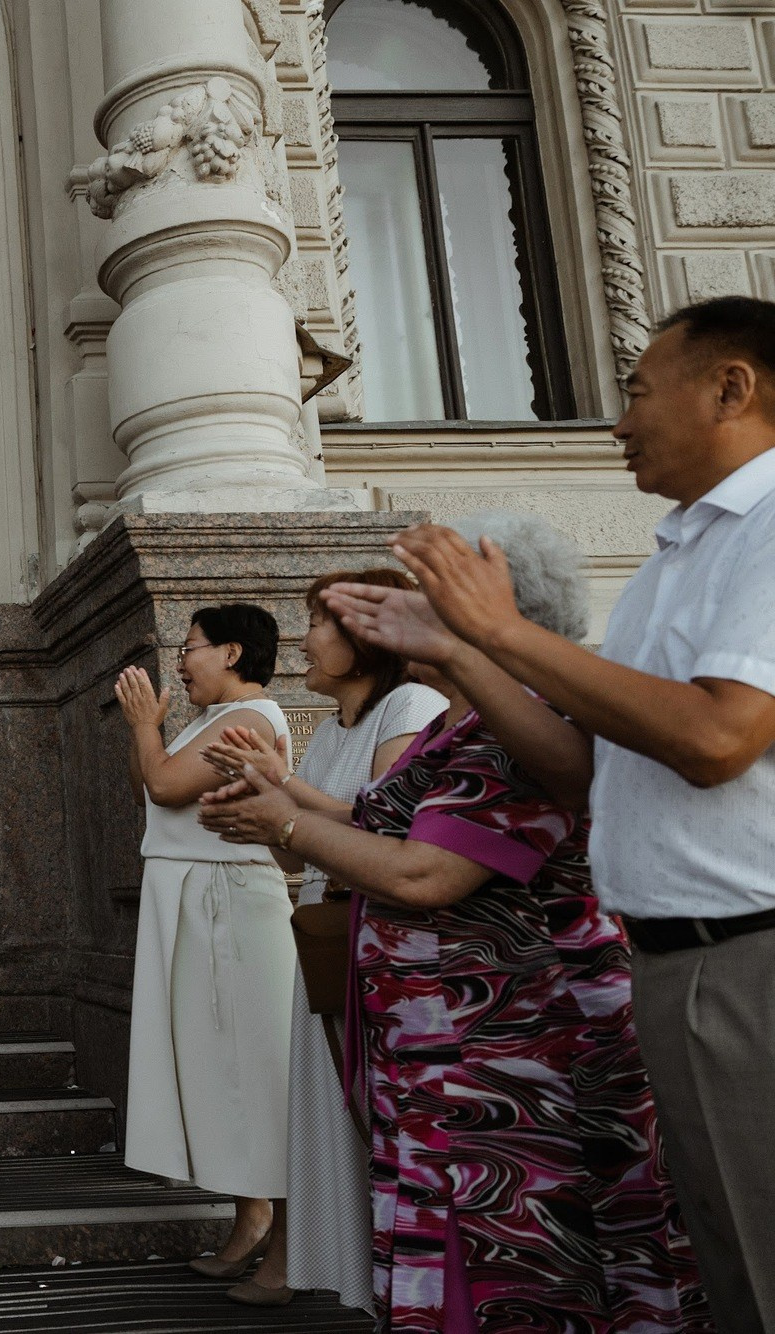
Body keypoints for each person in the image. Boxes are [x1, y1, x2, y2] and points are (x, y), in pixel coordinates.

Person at [329, 299, 775, 1334]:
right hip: (678, 962)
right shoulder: (675, 556)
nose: (615, 423)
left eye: (632, 390)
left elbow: (714, 739)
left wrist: (492, 629)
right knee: (732, 1266)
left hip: (748, 955)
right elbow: (586, 773)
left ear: (729, 388)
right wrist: (459, 654)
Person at [204, 512, 709, 1332]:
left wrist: (284, 824)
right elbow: (373, 830)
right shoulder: (451, 721)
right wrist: (280, 800)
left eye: (433, 591)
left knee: (529, 1276)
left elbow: (428, 873)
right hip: (446, 1065)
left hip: (517, 1063)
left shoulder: (530, 721)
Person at [196, 571, 446, 1311]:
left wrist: (283, 793)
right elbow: (302, 855)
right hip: (328, 937)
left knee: (373, 1116)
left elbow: (387, 826)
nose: (306, 639)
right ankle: (342, 1275)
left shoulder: (411, 704)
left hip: (381, 943)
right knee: (329, 1113)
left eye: (319, 623)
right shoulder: (333, 725)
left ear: (366, 636)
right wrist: (256, 808)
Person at [114, 603, 295, 1284]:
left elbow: (161, 783)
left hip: (230, 910)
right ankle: (252, 1214)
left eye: (190, 647)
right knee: (221, 1069)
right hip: (201, 902)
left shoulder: (252, 717)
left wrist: (144, 728)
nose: (181, 660)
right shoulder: (212, 721)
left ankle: (277, 1231)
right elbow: (150, 788)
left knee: (252, 1066)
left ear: (233, 653)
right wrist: (150, 735)